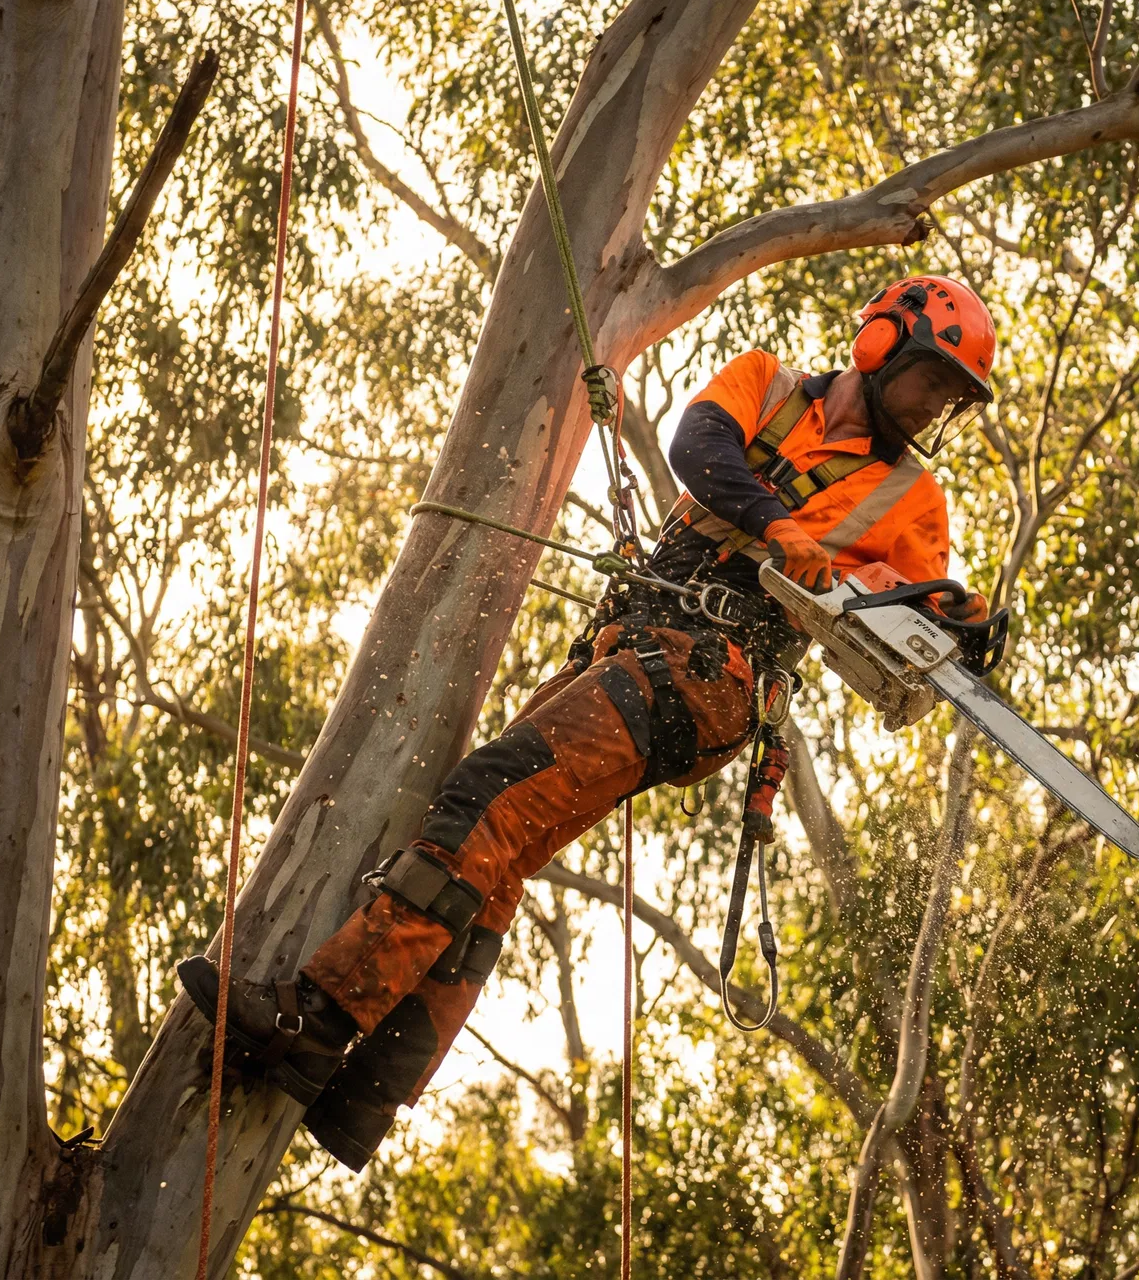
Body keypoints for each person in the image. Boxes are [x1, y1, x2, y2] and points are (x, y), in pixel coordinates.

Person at [180, 274, 999, 1169]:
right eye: (933, 381)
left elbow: (917, 622)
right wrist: (779, 525)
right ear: (880, 344)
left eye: (952, 397)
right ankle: (361, 1100)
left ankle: (317, 1019)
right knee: (497, 854)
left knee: (486, 798)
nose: (934, 408)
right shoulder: (764, 381)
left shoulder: (914, 501)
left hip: (711, 675)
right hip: (634, 645)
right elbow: (698, 446)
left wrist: (949, 619)